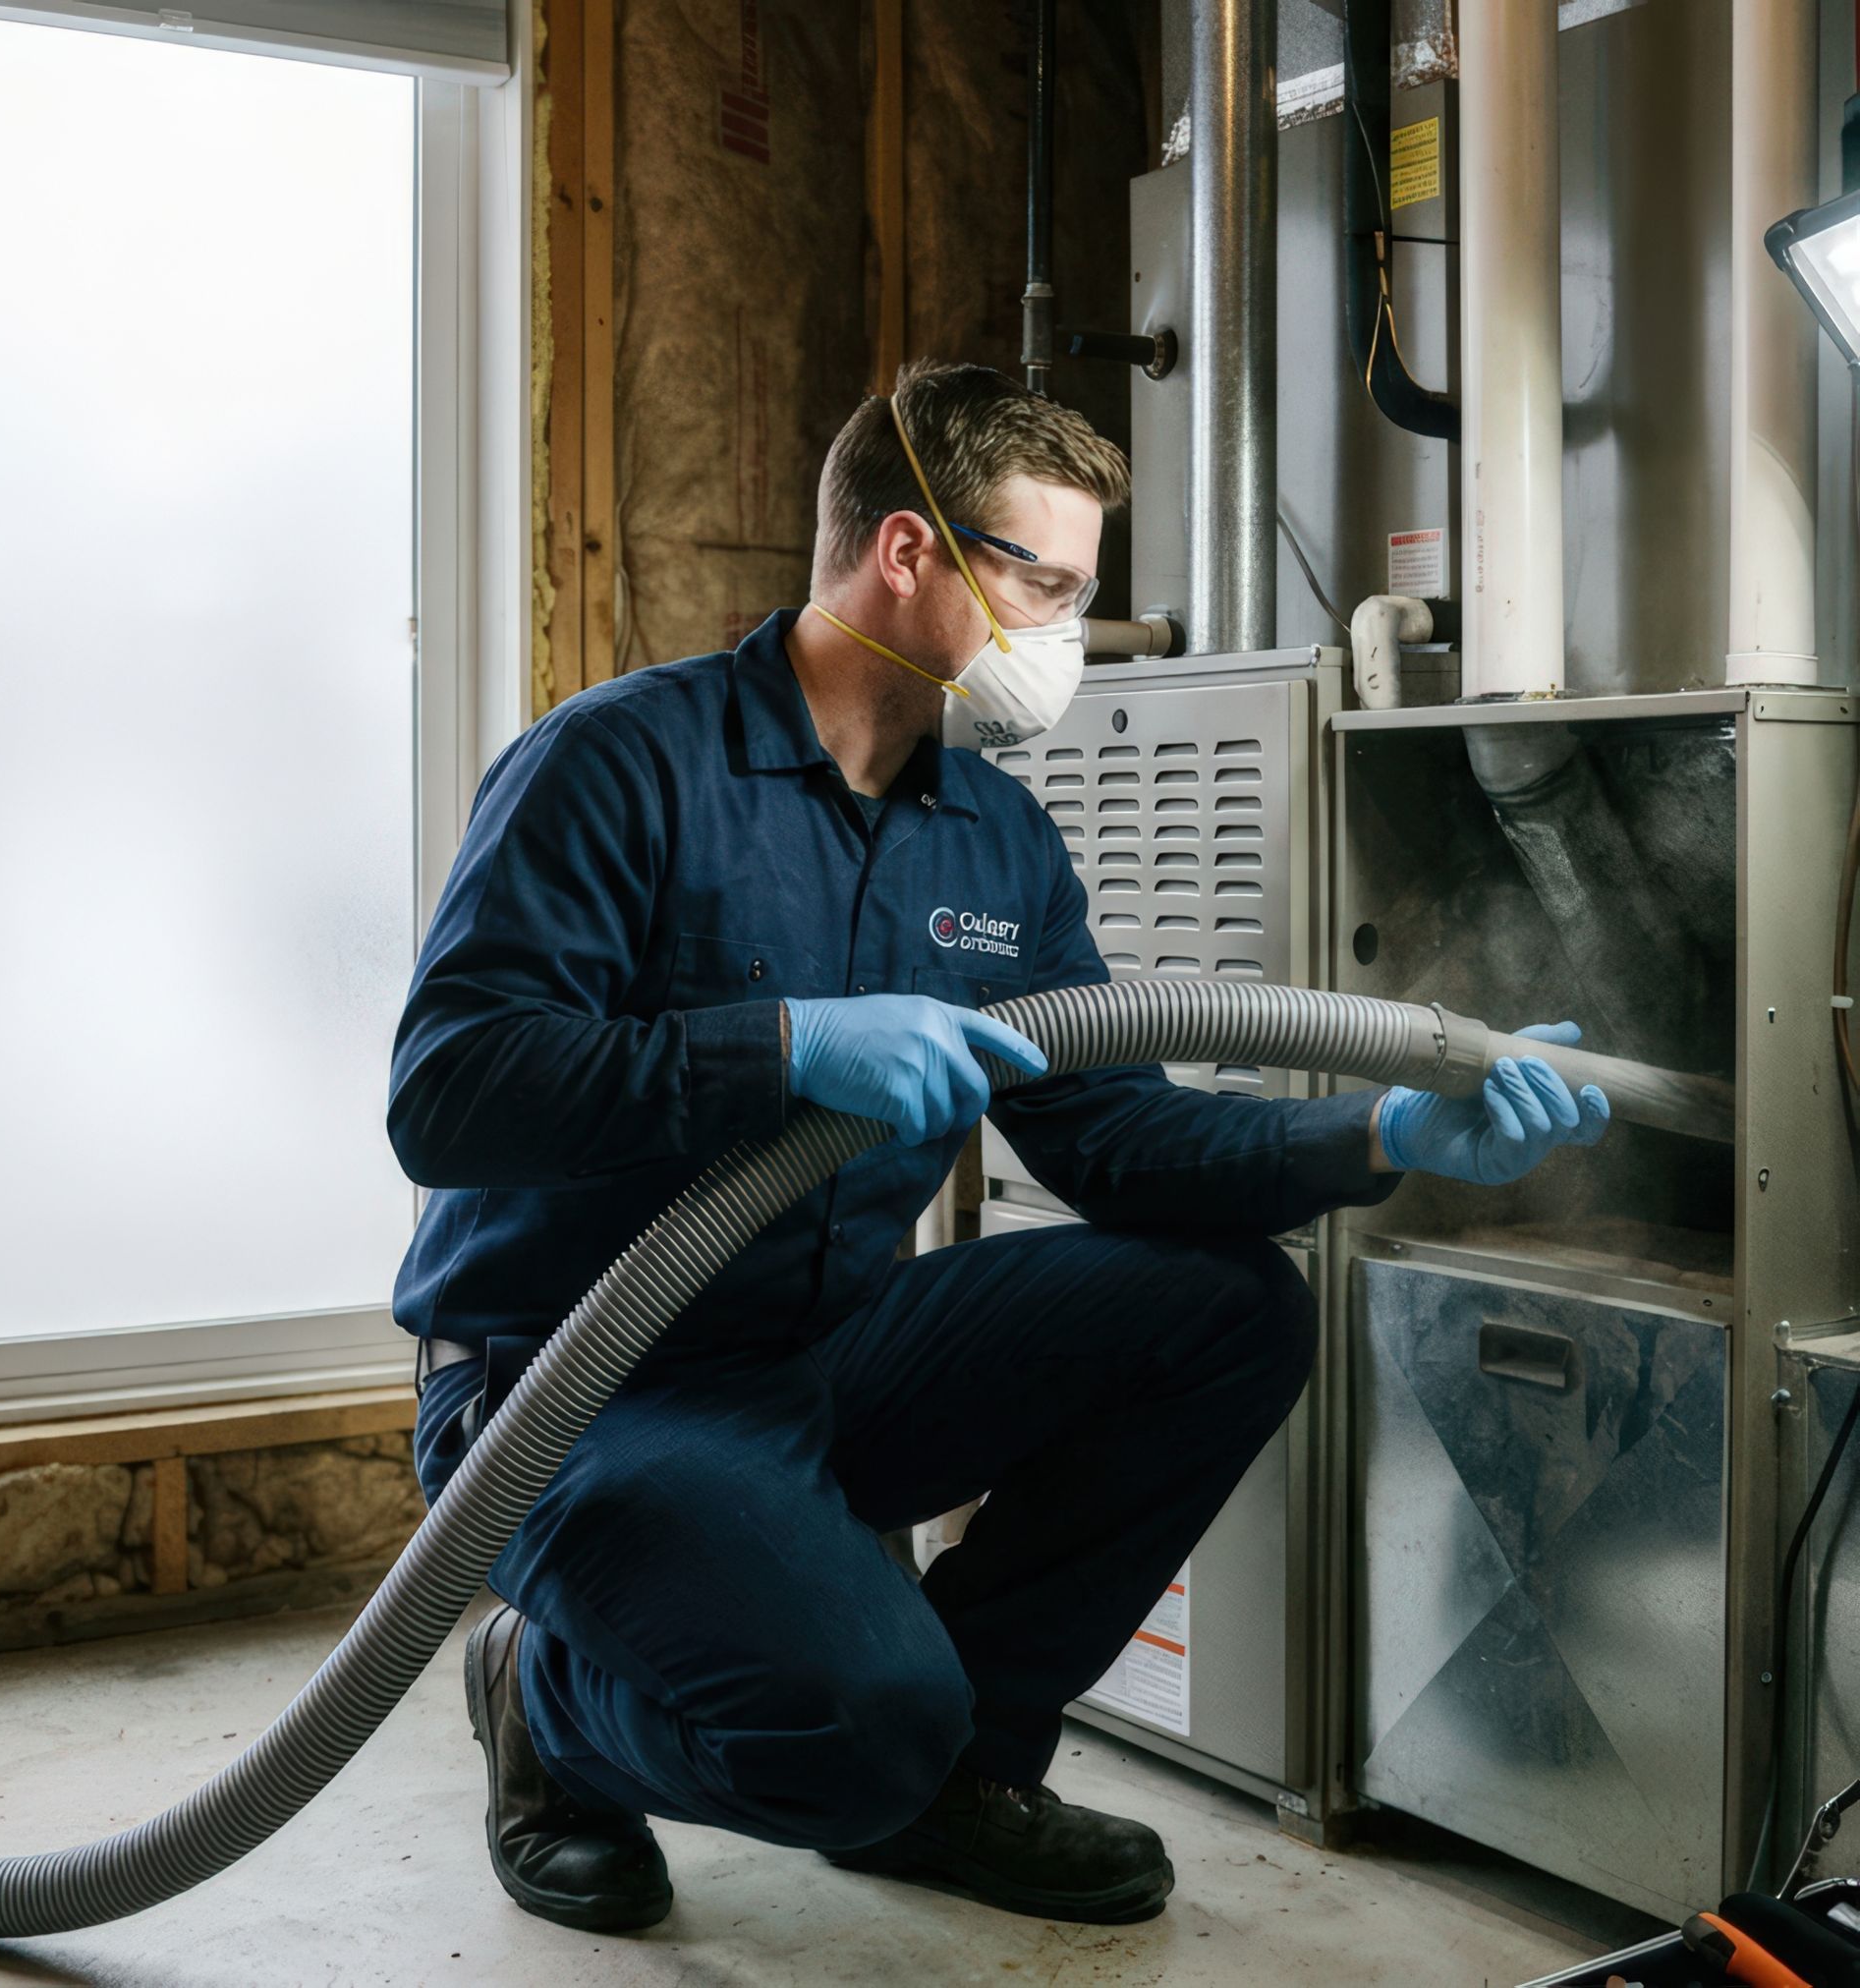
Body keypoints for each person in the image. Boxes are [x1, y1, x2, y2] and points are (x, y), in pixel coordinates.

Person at [386, 359, 1608, 1935]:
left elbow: (1109, 1134)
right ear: (910, 552)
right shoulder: (622, 764)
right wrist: (783, 1048)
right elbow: (453, 1093)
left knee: (1226, 1308)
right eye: (1048, 582)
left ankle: (962, 1773)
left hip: (821, 1346)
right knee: (850, 1737)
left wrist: (1380, 1128)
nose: (1069, 637)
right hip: (573, 1382)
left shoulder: (995, 838)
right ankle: (551, 1709)